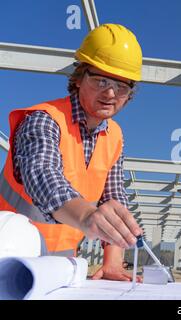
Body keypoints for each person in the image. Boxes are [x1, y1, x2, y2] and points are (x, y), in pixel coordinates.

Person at [0, 24, 143, 281]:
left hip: (59, 267)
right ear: (78, 77)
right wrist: (89, 217)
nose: (110, 93)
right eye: (101, 80)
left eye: (122, 86)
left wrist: (113, 260)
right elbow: (43, 177)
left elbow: (114, 199)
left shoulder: (115, 136)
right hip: (9, 254)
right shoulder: (44, 120)